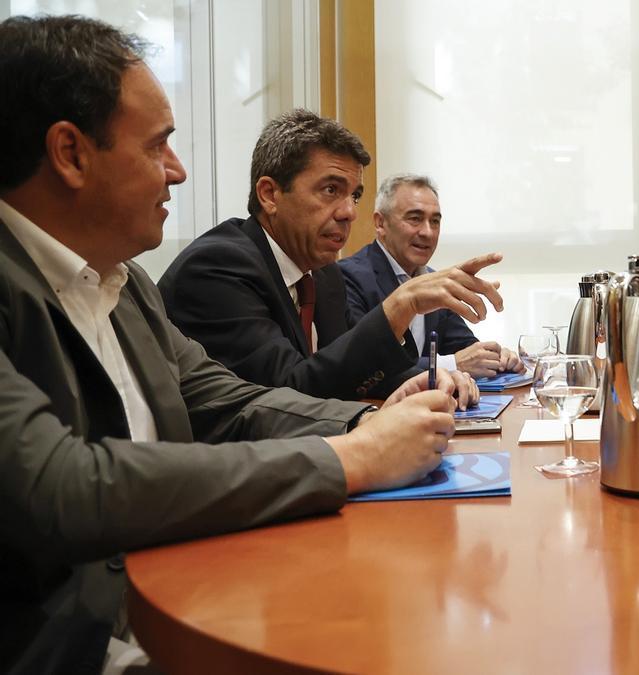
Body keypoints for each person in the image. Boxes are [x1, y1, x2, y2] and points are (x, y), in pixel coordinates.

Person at [0, 15, 467, 673]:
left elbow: (234, 404)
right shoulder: (215, 263)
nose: (179, 170)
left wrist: (368, 421)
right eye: (158, 145)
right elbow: (64, 486)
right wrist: (353, 457)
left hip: (179, 591)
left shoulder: (124, 282)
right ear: (71, 152)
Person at [158, 111, 490, 403]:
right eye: (331, 190)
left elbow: (349, 369)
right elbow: (289, 394)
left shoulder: (323, 275)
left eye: (354, 195)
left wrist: (428, 380)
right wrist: (400, 306)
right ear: (270, 194)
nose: (349, 213)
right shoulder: (217, 269)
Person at [339, 174, 522, 379]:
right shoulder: (347, 277)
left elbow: (464, 346)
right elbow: (363, 362)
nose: (428, 232)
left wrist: (495, 356)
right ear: (380, 223)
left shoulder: (435, 281)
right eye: (415, 218)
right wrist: (452, 364)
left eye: (435, 221)